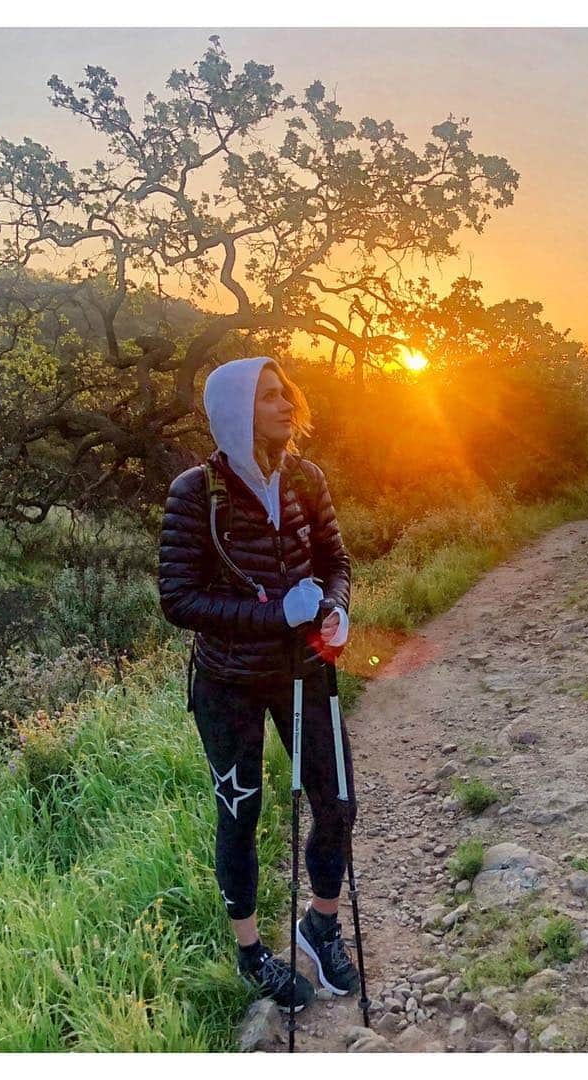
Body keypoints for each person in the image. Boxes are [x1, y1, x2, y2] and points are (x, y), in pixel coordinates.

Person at [158, 356, 358, 1013]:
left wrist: (334, 609)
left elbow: (335, 560)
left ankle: (320, 925)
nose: (285, 405)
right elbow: (179, 600)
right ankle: (250, 955)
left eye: (285, 394)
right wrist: (276, 614)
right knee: (240, 813)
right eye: (268, 397)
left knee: (337, 803)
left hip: (306, 669)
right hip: (229, 682)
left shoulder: (306, 477)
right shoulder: (196, 493)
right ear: (234, 412)